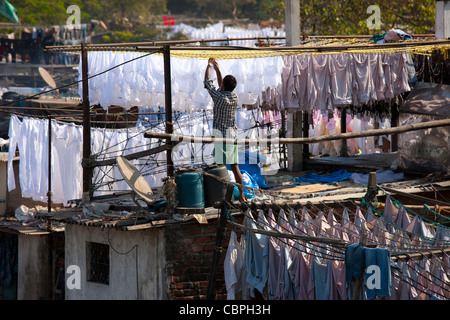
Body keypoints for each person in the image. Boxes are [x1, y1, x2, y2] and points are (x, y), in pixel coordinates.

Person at [204, 57, 247, 203]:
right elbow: (223, 87)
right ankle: (241, 195)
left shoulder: (219, 97)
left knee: (220, 166)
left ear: (223, 86)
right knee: (235, 168)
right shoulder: (234, 97)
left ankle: (223, 195)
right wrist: (218, 69)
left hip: (220, 135)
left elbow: (207, 83)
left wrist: (209, 66)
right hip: (232, 134)